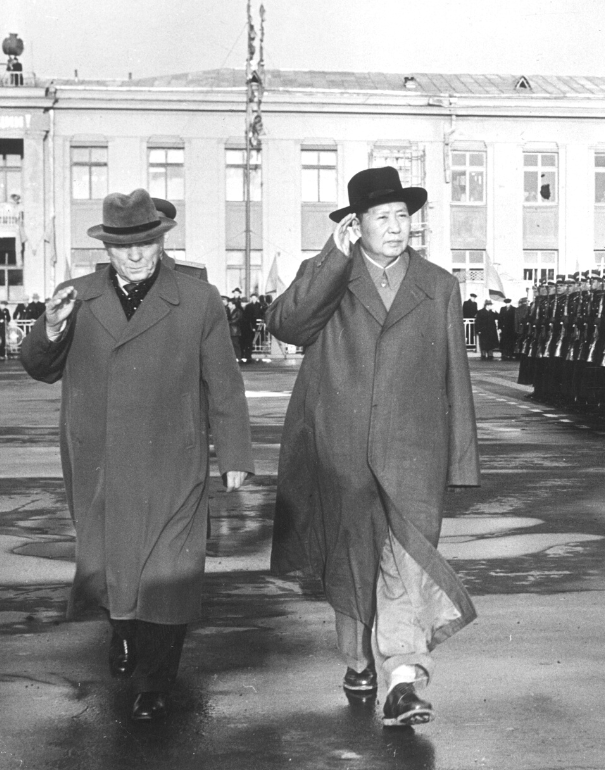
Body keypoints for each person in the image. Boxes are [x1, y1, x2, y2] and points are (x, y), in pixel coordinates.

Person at [19, 188, 253, 721]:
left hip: (175, 459)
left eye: (145, 244)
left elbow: (224, 381)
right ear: (106, 249)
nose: (136, 256)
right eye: (124, 247)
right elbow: (39, 365)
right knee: (114, 564)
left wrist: (234, 453)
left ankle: (155, 680)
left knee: (171, 572)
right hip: (100, 459)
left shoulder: (198, 298)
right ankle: (122, 631)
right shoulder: (74, 297)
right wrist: (51, 327)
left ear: (159, 239)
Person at [267, 166, 479, 728]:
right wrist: (329, 262)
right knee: (352, 567)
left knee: (406, 566)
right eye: (381, 217)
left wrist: (460, 461)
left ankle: (403, 680)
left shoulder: (438, 285)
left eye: (402, 216)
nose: (395, 226)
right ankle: (359, 662)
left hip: (415, 453)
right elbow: (285, 325)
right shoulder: (332, 277)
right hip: (343, 450)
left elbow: (454, 376)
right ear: (354, 225)